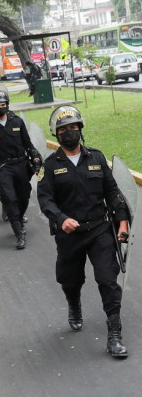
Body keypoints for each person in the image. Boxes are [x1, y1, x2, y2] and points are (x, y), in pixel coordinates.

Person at [37, 106, 130, 357]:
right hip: (69, 235)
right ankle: (74, 304)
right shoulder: (50, 165)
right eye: (63, 130)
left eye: (73, 127)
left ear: (80, 129)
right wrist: (61, 218)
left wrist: (122, 222)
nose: (69, 133)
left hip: (99, 230)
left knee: (107, 280)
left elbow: (112, 192)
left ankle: (114, 335)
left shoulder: (97, 159)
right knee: (70, 280)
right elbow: (45, 200)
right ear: (56, 135)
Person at [0, 85, 42, 249]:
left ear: (7, 104)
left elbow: (28, 144)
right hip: (3, 167)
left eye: (2, 105)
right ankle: (19, 233)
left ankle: (19, 217)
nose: (0, 108)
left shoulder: (17, 122)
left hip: (21, 165)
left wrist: (35, 158)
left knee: (23, 197)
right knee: (10, 198)